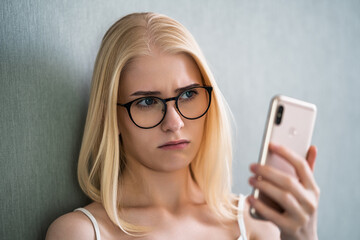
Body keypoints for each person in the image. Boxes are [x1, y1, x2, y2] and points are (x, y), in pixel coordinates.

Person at [46, 12, 320, 240]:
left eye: (188, 95)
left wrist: (305, 237)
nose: (174, 122)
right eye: (148, 101)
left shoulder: (260, 225)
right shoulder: (81, 233)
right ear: (109, 117)